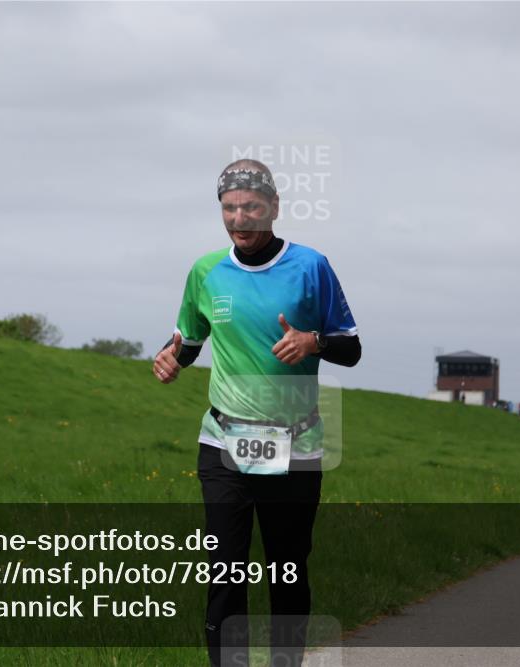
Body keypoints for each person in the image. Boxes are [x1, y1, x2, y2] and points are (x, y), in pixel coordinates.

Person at [153, 159, 360, 667]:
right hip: (223, 442)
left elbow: (351, 349)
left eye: (250, 207)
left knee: (287, 568)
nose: (239, 218)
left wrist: (313, 342)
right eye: (229, 208)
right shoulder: (206, 271)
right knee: (225, 569)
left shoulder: (311, 266)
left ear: (273, 208)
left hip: (296, 446)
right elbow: (190, 339)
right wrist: (171, 357)